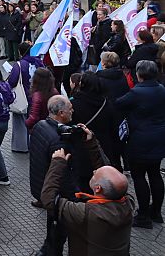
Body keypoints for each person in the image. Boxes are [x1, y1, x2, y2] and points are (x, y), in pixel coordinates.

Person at [42, 137, 134, 255]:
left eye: (96, 174)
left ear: (98, 188)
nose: (94, 171)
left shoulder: (86, 213)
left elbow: (49, 200)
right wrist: (92, 143)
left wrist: (57, 163)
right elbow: (110, 179)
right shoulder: (128, 203)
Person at [115, 59, 165, 228]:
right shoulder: (161, 89)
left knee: (139, 176)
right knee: (155, 174)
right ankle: (156, 212)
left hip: (140, 138)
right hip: (159, 136)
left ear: (139, 73)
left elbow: (118, 103)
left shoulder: (137, 92)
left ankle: (143, 215)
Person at [29, 95, 77, 255]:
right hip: (57, 194)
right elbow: (63, 175)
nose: (73, 111)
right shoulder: (59, 141)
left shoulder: (40, 126)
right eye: (70, 109)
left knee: (53, 228)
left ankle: (46, 249)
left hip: (41, 186)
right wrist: (73, 197)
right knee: (58, 232)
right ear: (61, 113)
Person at [70, 72, 123, 186]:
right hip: (104, 148)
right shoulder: (106, 104)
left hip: (82, 149)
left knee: (84, 182)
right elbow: (114, 129)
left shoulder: (74, 104)